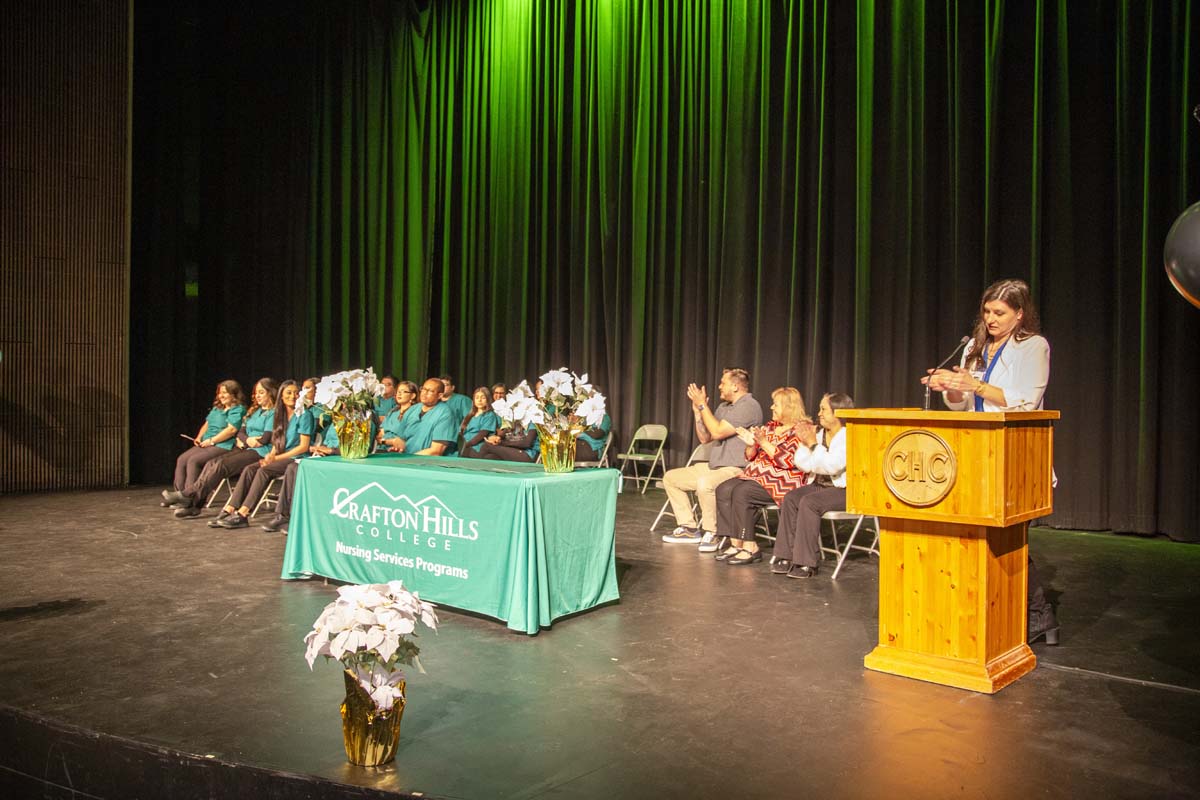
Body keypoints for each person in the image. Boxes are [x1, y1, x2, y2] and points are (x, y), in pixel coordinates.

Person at [921, 277, 1058, 644]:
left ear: (1019, 314)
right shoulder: (974, 347)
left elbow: (1026, 401)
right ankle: (993, 608)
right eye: (987, 312)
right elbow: (961, 405)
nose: (991, 319)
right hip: (975, 450)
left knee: (1006, 536)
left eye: (999, 313)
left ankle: (1037, 613)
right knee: (978, 534)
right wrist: (951, 389)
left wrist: (976, 386)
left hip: (1014, 450)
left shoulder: (1034, 347)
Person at [661, 368, 763, 546]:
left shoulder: (749, 406)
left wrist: (703, 405)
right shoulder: (724, 407)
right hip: (715, 466)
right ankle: (689, 528)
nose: (719, 386)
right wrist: (697, 412)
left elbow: (717, 432)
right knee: (671, 478)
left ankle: (712, 532)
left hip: (737, 468)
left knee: (705, 483)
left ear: (735, 386)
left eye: (723, 383)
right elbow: (705, 438)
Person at [710, 388, 809, 565]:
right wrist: (751, 445)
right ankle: (736, 543)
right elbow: (750, 456)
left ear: (789, 407)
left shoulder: (801, 430)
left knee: (743, 492)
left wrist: (763, 442)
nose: (771, 407)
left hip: (783, 480)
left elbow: (788, 461)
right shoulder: (771, 427)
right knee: (723, 489)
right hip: (757, 475)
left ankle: (750, 546)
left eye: (776, 404)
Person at [770, 393, 854, 578]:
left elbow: (833, 466)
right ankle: (786, 556)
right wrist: (809, 445)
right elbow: (803, 463)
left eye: (824, 409)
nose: (819, 413)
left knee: (810, 502)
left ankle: (806, 563)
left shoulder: (849, 436)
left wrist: (814, 447)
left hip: (844, 490)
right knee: (791, 498)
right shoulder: (818, 434)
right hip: (820, 485)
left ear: (838, 412)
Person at [168, 377, 277, 519]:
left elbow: (264, 439)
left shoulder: (274, 413)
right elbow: (241, 432)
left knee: (221, 465)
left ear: (271, 392)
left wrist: (249, 440)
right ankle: (194, 505)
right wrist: (247, 440)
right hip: (247, 447)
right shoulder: (255, 411)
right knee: (211, 463)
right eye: (256, 393)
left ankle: (188, 495)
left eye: (261, 393)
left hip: (261, 452)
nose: (257, 396)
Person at [216, 380, 315, 529]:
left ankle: (243, 514)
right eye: (289, 393)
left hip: (297, 458)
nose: (293, 396)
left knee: (264, 471)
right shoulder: (280, 415)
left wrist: (276, 458)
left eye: (296, 393)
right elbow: (278, 441)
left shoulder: (304, 415)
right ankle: (229, 508)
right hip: (280, 456)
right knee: (250, 469)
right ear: (281, 395)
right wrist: (271, 455)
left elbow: (303, 447)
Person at [164, 380, 245, 503]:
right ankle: (178, 495)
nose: (221, 396)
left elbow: (231, 430)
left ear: (234, 394)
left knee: (194, 460)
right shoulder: (217, 408)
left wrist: (212, 441)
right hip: (207, 442)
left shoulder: (238, 410)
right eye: (219, 393)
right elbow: (207, 424)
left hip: (223, 444)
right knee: (182, 459)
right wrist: (199, 437)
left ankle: (190, 497)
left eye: (224, 393)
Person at [390, 378, 458, 456]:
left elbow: (436, 451)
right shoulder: (412, 409)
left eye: (430, 391)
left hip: (431, 461)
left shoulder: (445, 413)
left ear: (440, 395)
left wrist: (410, 459)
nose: (424, 393)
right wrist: (399, 449)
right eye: (423, 389)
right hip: (408, 457)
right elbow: (401, 439)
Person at [458, 387, 501, 458]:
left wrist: (466, 445)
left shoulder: (489, 415)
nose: (479, 400)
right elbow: (461, 432)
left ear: (488, 399)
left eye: (483, 398)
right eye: (477, 398)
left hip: (477, 447)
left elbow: (482, 434)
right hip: (464, 445)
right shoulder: (470, 415)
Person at [378, 380, 418, 451]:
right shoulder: (392, 412)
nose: (399, 394)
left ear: (413, 396)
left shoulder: (415, 413)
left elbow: (407, 440)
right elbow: (380, 436)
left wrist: (389, 442)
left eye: (403, 391)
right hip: (382, 448)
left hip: (401, 451)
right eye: (398, 391)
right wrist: (389, 442)